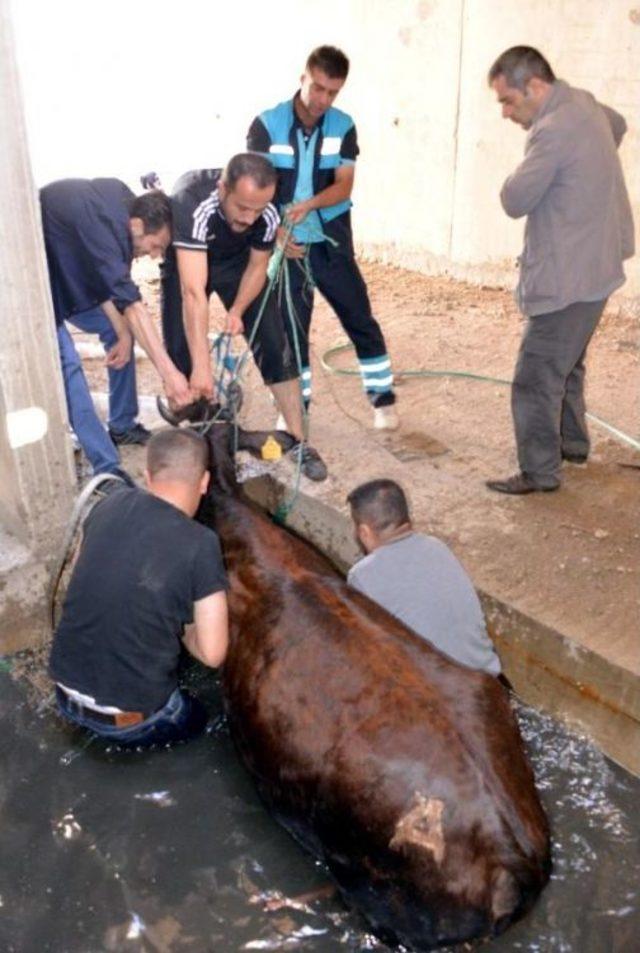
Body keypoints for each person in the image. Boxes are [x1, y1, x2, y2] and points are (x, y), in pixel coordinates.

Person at [485, 46, 635, 495]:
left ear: (534, 86)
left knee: (535, 376)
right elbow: (619, 124)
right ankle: (572, 444)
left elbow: (514, 199)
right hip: (599, 265)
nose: (507, 113)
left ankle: (540, 472)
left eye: (508, 101)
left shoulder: (551, 131)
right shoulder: (584, 103)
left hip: (569, 274)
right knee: (568, 363)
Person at [247, 45, 399, 430]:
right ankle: (296, 410)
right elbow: (254, 188)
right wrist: (279, 231)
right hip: (287, 243)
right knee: (292, 328)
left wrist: (311, 204)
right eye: (317, 88)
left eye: (332, 92)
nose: (322, 100)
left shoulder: (343, 126)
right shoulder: (267, 124)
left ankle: (383, 400)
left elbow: (344, 186)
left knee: (358, 315)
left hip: (330, 240)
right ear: (303, 78)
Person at [49, 428, 229, 748]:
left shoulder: (107, 504)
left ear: (147, 476)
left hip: (63, 694)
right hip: (132, 722)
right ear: (204, 482)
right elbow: (214, 654)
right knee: (207, 719)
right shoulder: (202, 543)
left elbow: (79, 578)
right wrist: (185, 626)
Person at [161, 153, 327, 481]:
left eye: (257, 210)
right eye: (242, 208)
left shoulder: (262, 210)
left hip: (237, 263)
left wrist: (237, 310)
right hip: (189, 260)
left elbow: (256, 266)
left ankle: (296, 440)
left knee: (274, 339)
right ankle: (201, 426)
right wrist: (203, 368)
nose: (250, 218)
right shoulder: (193, 201)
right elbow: (193, 293)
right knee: (182, 352)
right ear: (223, 188)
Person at [41, 178, 193, 480]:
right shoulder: (103, 221)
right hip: (38, 285)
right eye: (155, 246)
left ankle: (122, 425)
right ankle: (106, 469)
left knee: (120, 330)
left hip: (69, 279)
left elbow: (107, 278)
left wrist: (123, 334)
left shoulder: (122, 204)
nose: (152, 255)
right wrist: (171, 375)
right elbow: (133, 304)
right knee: (68, 365)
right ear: (138, 226)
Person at [346, 479, 501, 676]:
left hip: (435, 691)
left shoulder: (362, 575)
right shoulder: (436, 546)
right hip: (486, 674)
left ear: (364, 532)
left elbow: (367, 647)